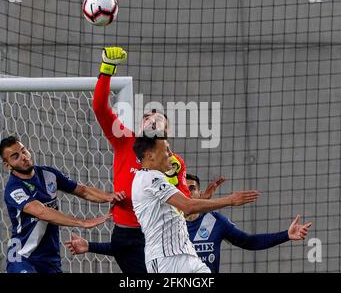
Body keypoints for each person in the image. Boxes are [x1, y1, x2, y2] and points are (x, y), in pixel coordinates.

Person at [84, 46, 210, 273]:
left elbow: (185, 207)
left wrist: (173, 177)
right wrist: (106, 69)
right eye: (146, 118)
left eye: (158, 119)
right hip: (128, 235)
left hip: (159, 239)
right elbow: (100, 108)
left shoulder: (173, 161)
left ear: (166, 131)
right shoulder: (125, 140)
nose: (151, 121)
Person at [131, 136, 260, 273]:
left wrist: (202, 199)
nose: (170, 153)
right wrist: (230, 200)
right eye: (166, 149)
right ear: (150, 155)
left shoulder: (156, 178)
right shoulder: (148, 178)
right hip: (166, 260)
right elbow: (188, 206)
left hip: (187, 255)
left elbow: (182, 212)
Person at [0, 136, 125, 273]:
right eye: (15, 156)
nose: (23, 157)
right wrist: (81, 222)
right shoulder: (14, 189)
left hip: (50, 258)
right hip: (22, 257)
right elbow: (42, 212)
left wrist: (108, 196)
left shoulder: (49, 174)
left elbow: (82, 190)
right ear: (8, 165)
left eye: (23, 151)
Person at [185, 173, 312, 273]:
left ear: (199, 193)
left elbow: (249, 241)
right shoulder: (170, 222)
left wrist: (286, 235)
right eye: (183, 189)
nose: (188, 192)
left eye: (192, 188)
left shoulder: (215, 221)